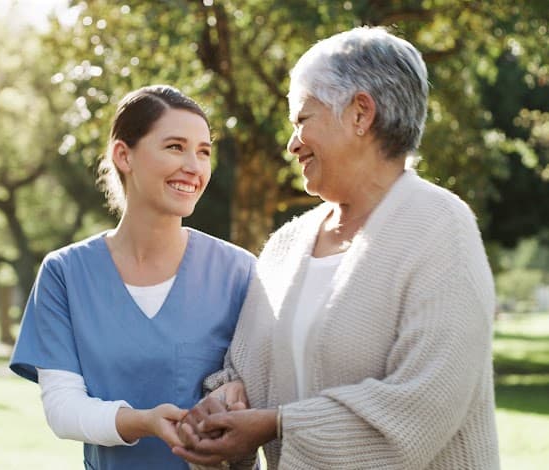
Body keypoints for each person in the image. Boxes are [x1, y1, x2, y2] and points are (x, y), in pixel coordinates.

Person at [173, 26, 500, 469]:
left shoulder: (442, 229)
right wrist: (225, 402)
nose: (291, 144)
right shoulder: (287, 245)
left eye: (302, 120)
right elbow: (243, 373)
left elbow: (422, 406)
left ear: (360, 114)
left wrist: (276, 425)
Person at [9, 85, 255, 470]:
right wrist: (144, 421)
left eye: (204, 151)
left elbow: (263, 389)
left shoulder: (239, 271)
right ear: (124, 155)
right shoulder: (65, 274)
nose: (194, 165)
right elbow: (62, 408)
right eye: (175, 147)